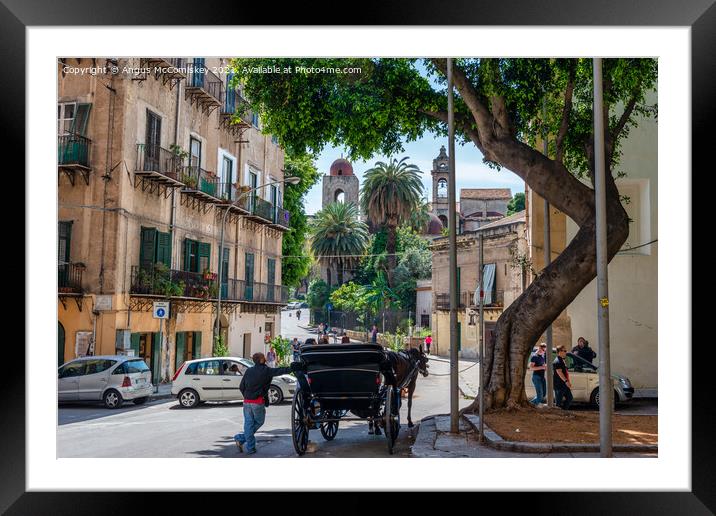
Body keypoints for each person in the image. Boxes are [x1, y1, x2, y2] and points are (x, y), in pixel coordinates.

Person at [234, 352, 297, 455]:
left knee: (248, 424)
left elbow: (241, 386)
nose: (265, 358)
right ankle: (242, 440)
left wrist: (247, 396)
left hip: (246, 402)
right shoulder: (265, 370)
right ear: (261, 360)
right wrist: (292, 368)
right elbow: (279, 370)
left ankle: (247, 444)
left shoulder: (249, 371)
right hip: (257, 401)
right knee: (259, 422)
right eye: (264, 357)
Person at [553, 345, 573, 410]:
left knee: (570, 398)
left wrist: (567, 381)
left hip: (564, 384)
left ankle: (564, 411)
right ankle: (557, 416)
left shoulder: (562, 360)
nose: (565, 352)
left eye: (565, 351)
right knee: (558, 403)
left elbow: (565, 372)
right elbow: (559, 372)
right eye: (564, 351)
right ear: (559, 352)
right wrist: (566, 381)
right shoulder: (557, 361)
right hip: (559, 385)